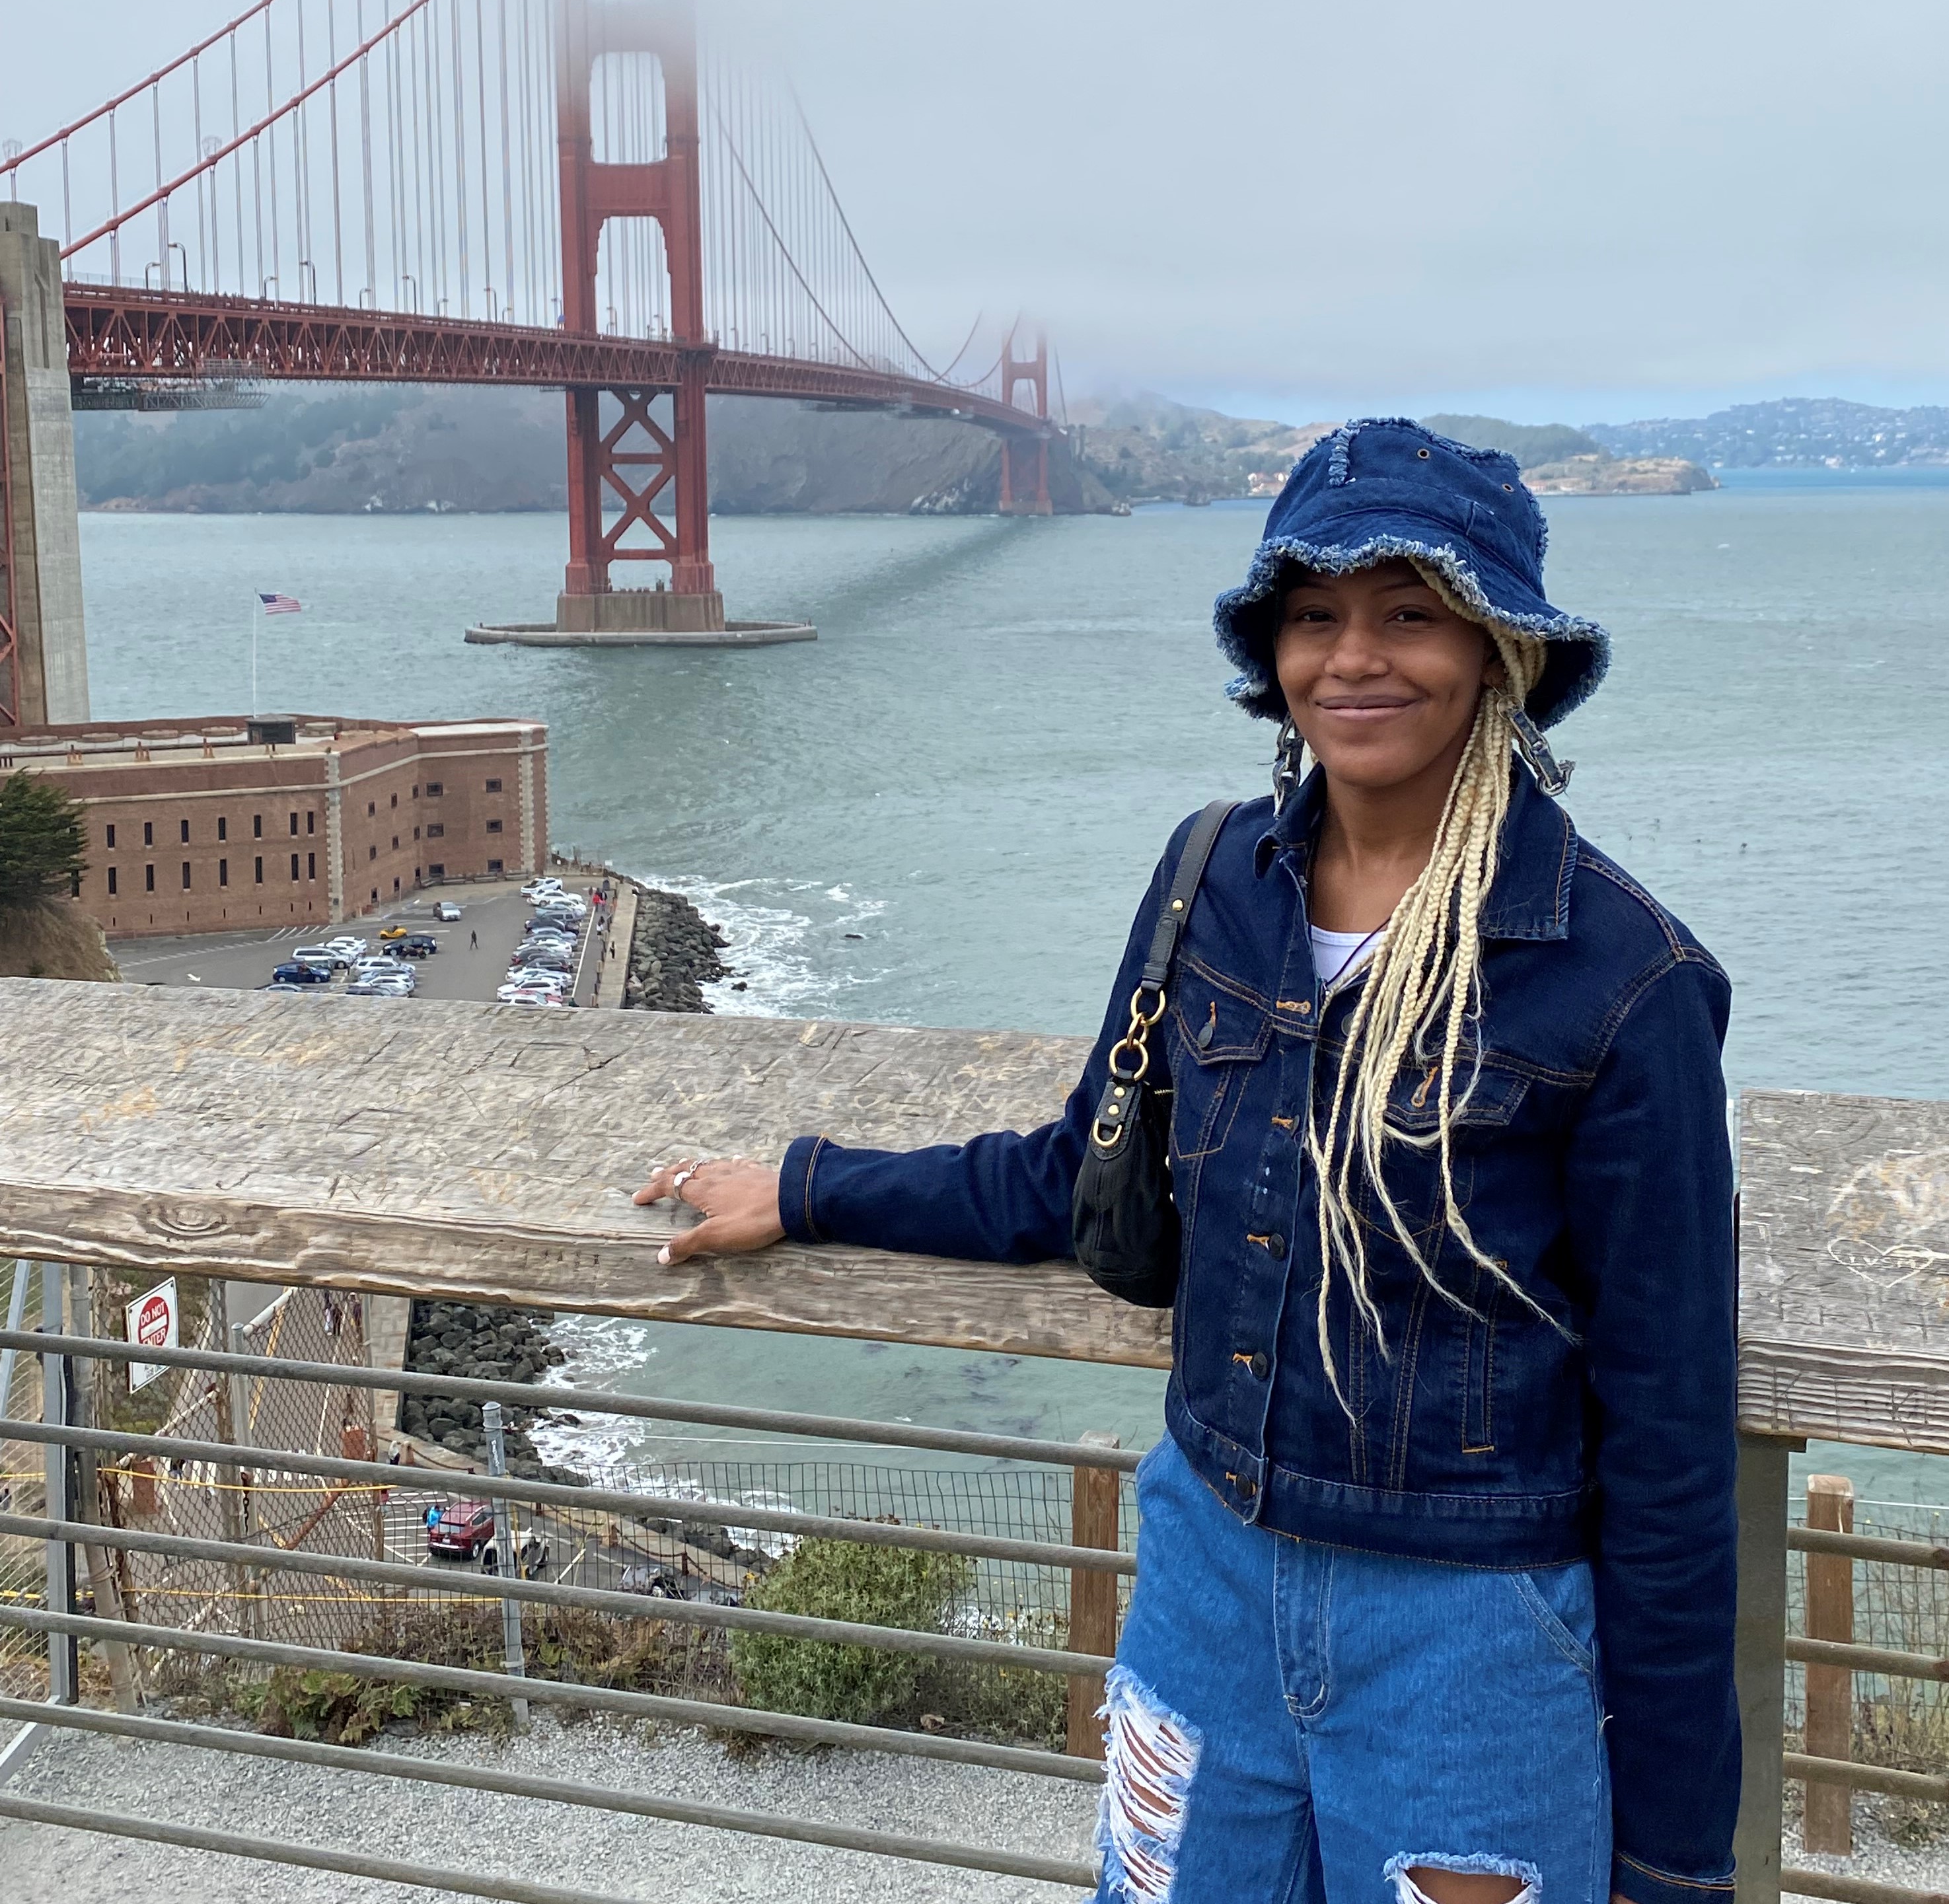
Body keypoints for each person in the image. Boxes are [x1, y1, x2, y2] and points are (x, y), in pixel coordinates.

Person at [638, 419, 1739, 1904]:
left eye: (1410, 611)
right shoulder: (1210, 879)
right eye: (1313, 613)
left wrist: (1673, 1857)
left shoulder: (1620, 977)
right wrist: (810, 1183)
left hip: (1467, 1639)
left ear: (1498, 649)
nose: (1354, 655)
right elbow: (1083, 1172)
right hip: (1204, 1579)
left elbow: (1667, 1424)